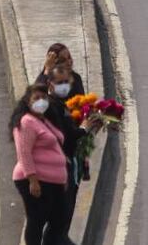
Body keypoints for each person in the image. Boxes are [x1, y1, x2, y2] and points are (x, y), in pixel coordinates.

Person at [43, 65, 101, 242]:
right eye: (59, 82)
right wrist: (84, 129)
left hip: (66, 166)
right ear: (50, 84)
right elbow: (66, 136)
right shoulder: (51, 107)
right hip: (57, 169)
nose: (64, 86)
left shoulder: (60, 105)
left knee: (63, 216)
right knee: (59, 217)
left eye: (66, 82)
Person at [11, 83, 69, 245]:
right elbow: (24, 152)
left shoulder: (43, 120)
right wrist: (33, 180)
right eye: (36, 98)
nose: (41, 101)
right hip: (37, 180)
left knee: (59, 218)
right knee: (37, 219)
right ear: (28, 102)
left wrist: (62, 178)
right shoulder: (27, 122)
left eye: (44, 98)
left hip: (53, 181)